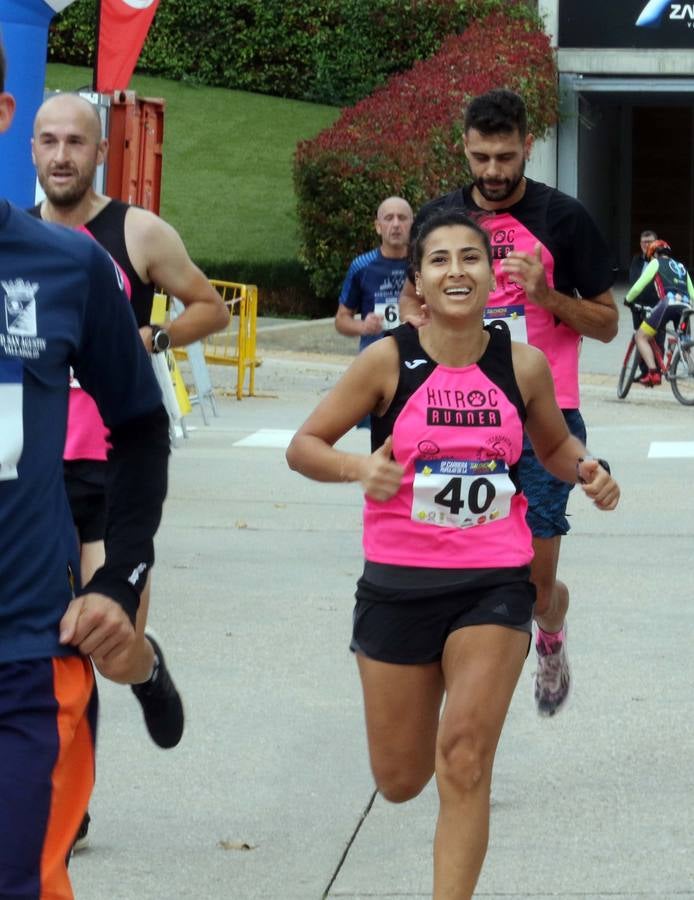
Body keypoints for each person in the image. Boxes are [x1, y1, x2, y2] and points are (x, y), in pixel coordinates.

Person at [286, 209, 619, 899]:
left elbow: (554, 446)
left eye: (471, 257)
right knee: (401, 778)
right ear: (418, 281)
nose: (457, 271)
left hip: (494, 580)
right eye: (440, 260)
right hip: (398, 586)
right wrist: (359, 471)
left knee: (464, 760)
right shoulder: (387, 360)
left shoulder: (521, 365)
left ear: (492, 276)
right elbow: (304, 445)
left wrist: (587, 468)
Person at [29, 91, 229, 849]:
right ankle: (69, 805)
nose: (60, 156)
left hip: (113, 464)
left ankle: (147, 671)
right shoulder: (20, 240)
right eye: (48, 141)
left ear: (101, 152)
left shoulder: (136, 232)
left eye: (75, 141)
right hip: (43, 474)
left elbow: (210, 306)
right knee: (60, 643)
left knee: (108, 645)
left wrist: (154, 336)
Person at [0, 42, 169, 899]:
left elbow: (142, 428)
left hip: (20, 654)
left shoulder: (64, 266)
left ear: (0, 116)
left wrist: (119, 578)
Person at [399, 88, 618, 717]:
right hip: (458, 412)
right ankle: (470, 707)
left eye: (504, 156)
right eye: (480, 157)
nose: (492, 172)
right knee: (457, 569)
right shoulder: (440, 218)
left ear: (528, 146)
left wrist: (546, 297)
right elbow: (413, 303)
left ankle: (550, 631)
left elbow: (606, 324)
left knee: (534, 584)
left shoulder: (563, 218)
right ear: (464, 148)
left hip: (546, 414)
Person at [335, 196, 414, 351]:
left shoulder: (424, 265)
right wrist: (364, 326)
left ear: (412, 224)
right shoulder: (361, 266)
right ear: (378, 227)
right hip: (374, 356)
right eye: (389, 218)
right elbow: (341, 320)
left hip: (415, 357)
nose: (396, 224)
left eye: (402, 218)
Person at [625, 239, 694, 386]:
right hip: (685, 306)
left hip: (667, 304)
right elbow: (692, 292)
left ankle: (653, 372)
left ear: (654, 254)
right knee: (684, 341)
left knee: (641, 337)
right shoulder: (682, 267)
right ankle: (691, 368)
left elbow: (639, 285)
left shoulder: (655, 263)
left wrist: (628, 299)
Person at [627, 229, 662, 375]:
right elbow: (634, 279)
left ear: (656, 243)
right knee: (640, 338)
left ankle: (656, 371)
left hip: (656, 304)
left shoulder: (661, 261)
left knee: (657, 338)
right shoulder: (636, 260)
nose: (646, 245)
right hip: (638, 306)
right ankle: (644, 371)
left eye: (650, 242)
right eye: (644, 242)